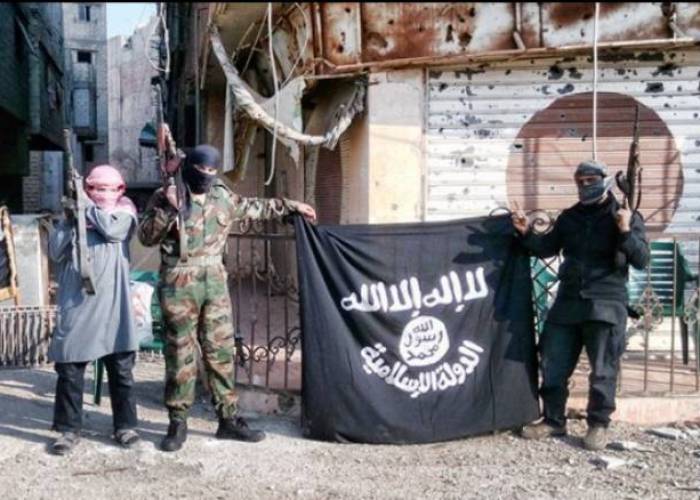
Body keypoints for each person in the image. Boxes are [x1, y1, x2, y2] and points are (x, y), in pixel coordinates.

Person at [138, 144, 316, 452]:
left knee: (220, 352)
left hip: (214, 282)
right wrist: (168, 208)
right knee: (180, 354)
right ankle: (178, 422)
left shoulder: (222, 197)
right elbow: (146, 237)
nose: (206, 175)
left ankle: (228, 420)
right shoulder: (166, 195)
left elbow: (256, 207)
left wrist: (292, 207)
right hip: (179, 281)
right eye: (201, 169)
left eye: (212, 170)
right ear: (189, 167)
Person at [512, 159, 649, 450]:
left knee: (602, 370)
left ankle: (598, 425)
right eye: (580, 181)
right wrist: (526, 233)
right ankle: (553, 420)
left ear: (605, 180)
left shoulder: (624, 214)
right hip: (568, 302)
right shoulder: (570, 217)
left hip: (606, 301)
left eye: (591, 180)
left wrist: (625, 230)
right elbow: (547, 247)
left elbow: (641, 260)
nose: (585, 185)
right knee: (553, 363)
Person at [48, 165, 140, 455]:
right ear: (87, 188)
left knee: (121, 370)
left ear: (120, 190)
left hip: (115, 305)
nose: (102, 193)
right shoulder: (76, 213)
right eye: (96, 189)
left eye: (108, 188)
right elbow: (55, 251)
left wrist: (85, 208)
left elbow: (112, 231)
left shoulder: (124, 210)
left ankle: (125, 426)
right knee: (69, 369)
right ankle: (68, 430)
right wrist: (70, 219)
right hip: (77, 303)